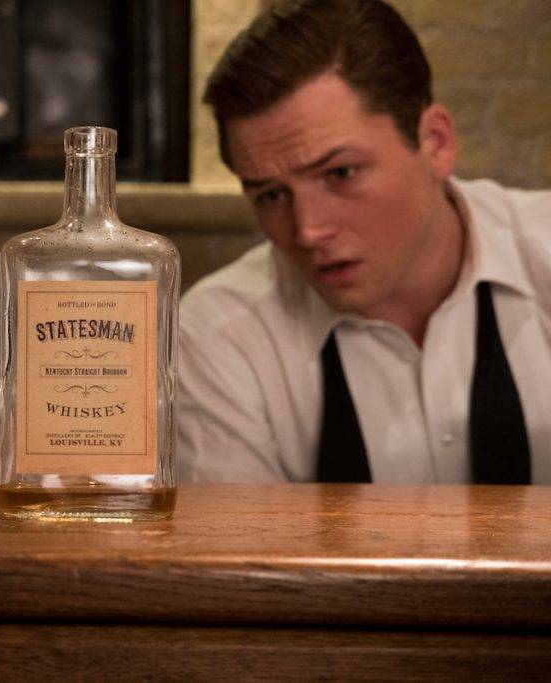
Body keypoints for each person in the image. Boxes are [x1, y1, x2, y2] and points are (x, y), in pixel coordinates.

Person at [179, 0, 551, 484]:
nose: (307, 230)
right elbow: (236, 535)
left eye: (340, 173)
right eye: (270, 195)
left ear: (436, 143)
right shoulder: (217, 337)